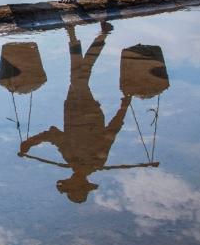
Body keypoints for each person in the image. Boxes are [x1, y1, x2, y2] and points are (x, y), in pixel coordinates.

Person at [19, 22, 130, 203]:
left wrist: (31, 142)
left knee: (81, 74)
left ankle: (99, 36)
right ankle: (78, 36)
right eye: (73, 183)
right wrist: (124, 108)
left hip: (72, 108)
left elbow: (53, 135)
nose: (71, 179)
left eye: (70, 182)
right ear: (81, 183)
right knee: (79, 77)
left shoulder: (70, 158)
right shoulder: (96, 161)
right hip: (88, 113)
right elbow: (111, 132)